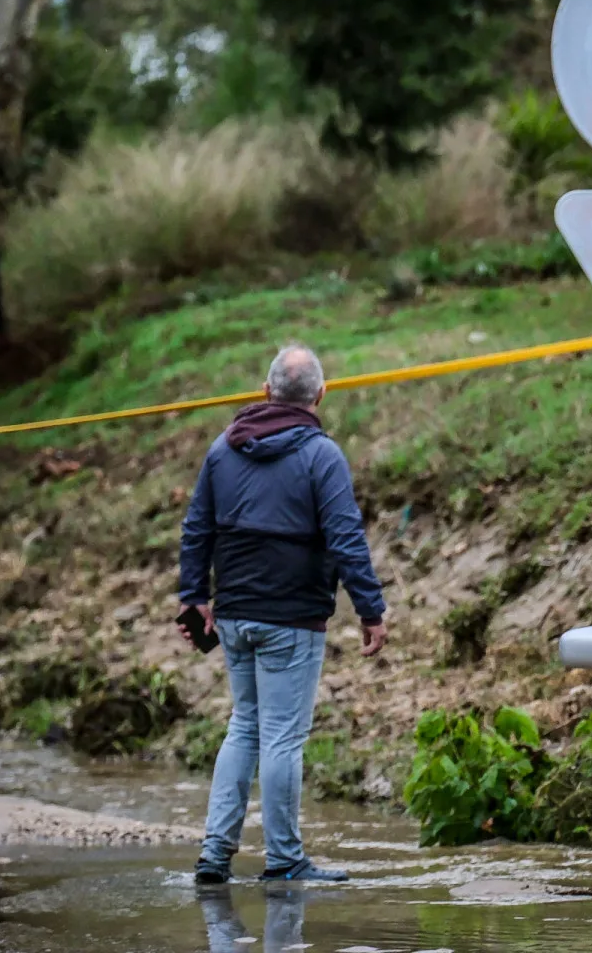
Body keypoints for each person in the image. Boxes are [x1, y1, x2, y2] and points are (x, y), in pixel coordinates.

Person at [177, 343, 389, 884]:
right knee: (281, 738)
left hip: (234, 615)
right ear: (321, 394)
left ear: (265, 392)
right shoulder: (322, 456)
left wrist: (192, 596)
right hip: (291, 619)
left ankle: (214, 856)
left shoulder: (222, 450)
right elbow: (346, 537)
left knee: (243, 727)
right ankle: (286, 860)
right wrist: (370, 609)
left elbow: (196, 527)